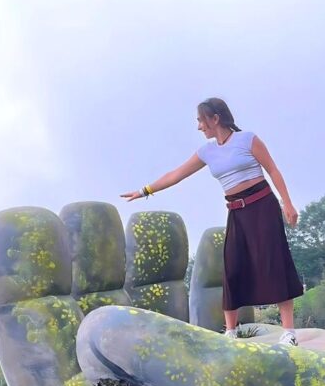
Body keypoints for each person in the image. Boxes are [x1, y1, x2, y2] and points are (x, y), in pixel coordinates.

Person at [121, 97, 304, 345]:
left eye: (200, 120)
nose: (199, 126)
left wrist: (288, 203)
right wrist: (144, 191)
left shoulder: (247, 139)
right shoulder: (207, 151)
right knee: (232, 265)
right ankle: (230, 331)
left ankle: (289, 332)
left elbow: (272, 170)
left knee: (274, 261)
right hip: (236, 212)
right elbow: (176, 174)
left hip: (262, 207)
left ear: (215, 118)